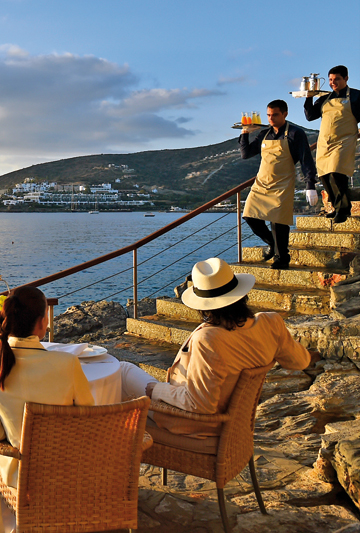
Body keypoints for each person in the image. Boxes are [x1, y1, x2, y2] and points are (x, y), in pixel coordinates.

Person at [119, 257, 316, 443]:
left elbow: (200, 405)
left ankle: (109, 457)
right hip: (232, 421)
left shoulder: (210, 339)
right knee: (123, 376)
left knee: (122, 372)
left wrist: (156, 390)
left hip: (193, 424)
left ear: (204, 307)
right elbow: (299, 362)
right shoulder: (271, 323)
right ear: (241, 295)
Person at [0, 286, 95, 488]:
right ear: (41, 322)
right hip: (69, 471)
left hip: (17, 475)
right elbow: (88, 419)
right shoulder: (68, 363)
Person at [240, 99, 318, 270]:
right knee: (249, 216)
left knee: (279, 223)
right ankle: (272, 244)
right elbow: (245, 154)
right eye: (268, 115)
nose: (271, 118)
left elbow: (306, 160)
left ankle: (282, 259)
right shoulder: (264, 134)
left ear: (285, 114)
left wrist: (310, 185)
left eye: (275, 114)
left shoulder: (296, 133)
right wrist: (245, 132)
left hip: (283, 182)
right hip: (261, 183)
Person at [304, 65, 360, 224]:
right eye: (330, 80)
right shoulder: (324, 98)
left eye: (337, 79)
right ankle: (336, 207)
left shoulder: (356, 96)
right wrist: (309, 97)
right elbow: (310, 116)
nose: (333, 83)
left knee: (336, 172)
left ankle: (344, 210)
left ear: (346, 79)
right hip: (324, 142)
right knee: (325, 176)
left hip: (344, 141)